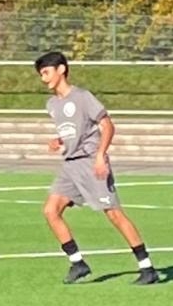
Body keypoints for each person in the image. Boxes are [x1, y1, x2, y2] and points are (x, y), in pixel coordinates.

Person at [35, 51, 159, 286]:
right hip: (69, 165)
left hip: (90, 162)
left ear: (61, 70)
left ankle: (147, 267)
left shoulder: (82, 97)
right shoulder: (52, 104)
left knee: (113, 214)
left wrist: (101, 156)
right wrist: (58, 141)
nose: (44, 78)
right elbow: (74, 131)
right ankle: (77, 263)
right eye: (41, 74)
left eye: (46, 72)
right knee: (51, 211)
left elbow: (107, 125)